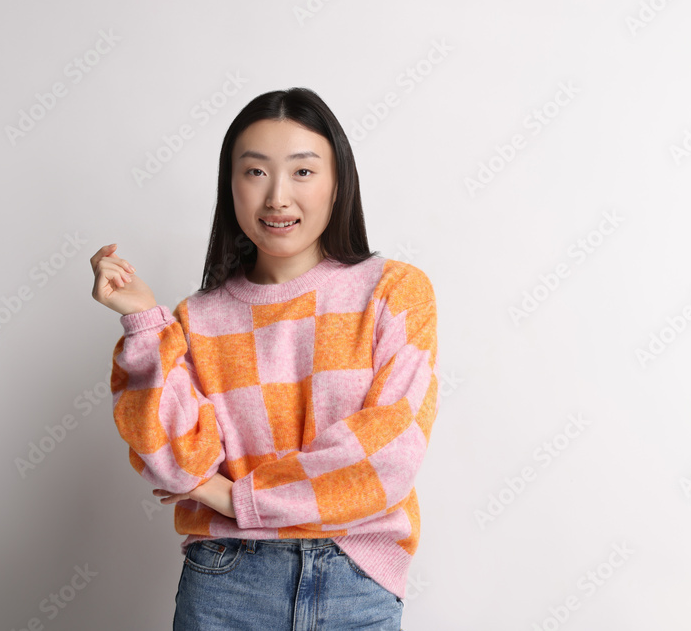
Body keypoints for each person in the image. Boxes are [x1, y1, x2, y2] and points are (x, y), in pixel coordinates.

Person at [89, 88, 440, 630]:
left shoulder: (394, 292)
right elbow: (173, 457)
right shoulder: (198, 318)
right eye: (255, 172)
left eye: (302, 172)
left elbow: (384, 458)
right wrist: (142, 320)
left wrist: (232, 498)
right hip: (227, 583)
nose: (277, 196)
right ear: (231, 185)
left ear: (338, 182)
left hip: (356, 578)